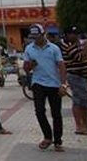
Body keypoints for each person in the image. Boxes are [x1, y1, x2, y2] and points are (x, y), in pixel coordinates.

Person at [23, 23, 68, 152]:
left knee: (56, 114)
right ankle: (47, 136)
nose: (35, 39)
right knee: (39, 111)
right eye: (33, 37)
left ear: (43, 34)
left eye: (37, 36)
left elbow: (61, 66)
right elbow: (26, 68)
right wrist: (30, 65)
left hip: (54, 84)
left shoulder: (53, 48)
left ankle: (58, 141)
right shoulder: (29, 49)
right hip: (38, 83)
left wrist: (63, 84)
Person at [61, 26, 87, 135]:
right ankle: (79, 126)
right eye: (73, 34)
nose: (76, 36)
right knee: (78, 101)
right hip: (75, 75)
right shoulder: (67, 45)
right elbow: (80, 57)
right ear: (67, 35)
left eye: (76, 34)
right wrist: (86, 46)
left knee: (85, 101)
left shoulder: (77, 43)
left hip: (82, 75)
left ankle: (85, 124)